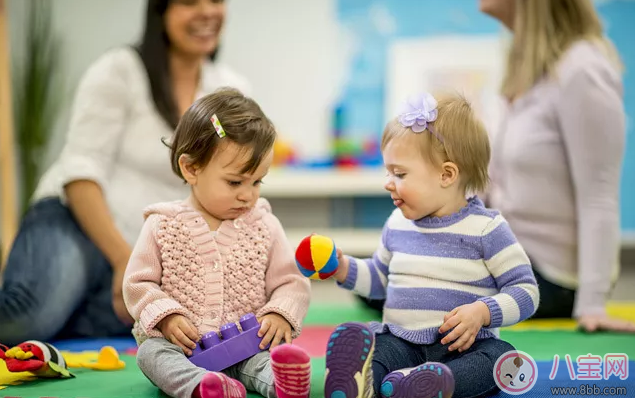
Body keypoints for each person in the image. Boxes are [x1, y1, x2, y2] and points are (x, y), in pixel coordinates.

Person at [0, 0, 251, 346]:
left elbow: (231, 186)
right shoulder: (119, 71)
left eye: (216, 1)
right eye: (190, 2)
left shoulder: (229, 92)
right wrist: (125, 261)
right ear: (160, 12)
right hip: (77, 224)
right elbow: (80, 174)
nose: (207, 12)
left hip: (151, 252)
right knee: (26, 322)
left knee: (181, 326)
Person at [323, 92, 540, 398]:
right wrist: (343, 268)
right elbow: (379, 279)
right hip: (401, 342)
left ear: (446, 174)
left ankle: (428, 384)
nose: (388, 182)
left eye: (399, 174)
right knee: (378, 347)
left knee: (501, 359)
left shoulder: (487, 229)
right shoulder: (397, 224)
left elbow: (526, 291)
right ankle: (363, 382)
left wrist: (483, 311)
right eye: (388, 172)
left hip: (464, 349)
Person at [123, 88, 312, 398]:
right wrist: (167, 316)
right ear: (191, 168)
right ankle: (202, 387)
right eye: (235, 182)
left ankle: (283, 383)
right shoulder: (162, 224)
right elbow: (138, 283)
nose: (248, 194)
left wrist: (280, 313)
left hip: (246, 346)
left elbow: (291, 281)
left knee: (265, 359)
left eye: (257, 181)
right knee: (150, 355)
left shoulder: (264, 225)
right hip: (181, 350)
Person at [480, 0, 635, 333]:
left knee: (408, 289)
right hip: (510, 253)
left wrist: (593, 304)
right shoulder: (525, 68)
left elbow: (600, 194)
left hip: (552, 277)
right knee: (397, 274)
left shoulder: (582, 69)